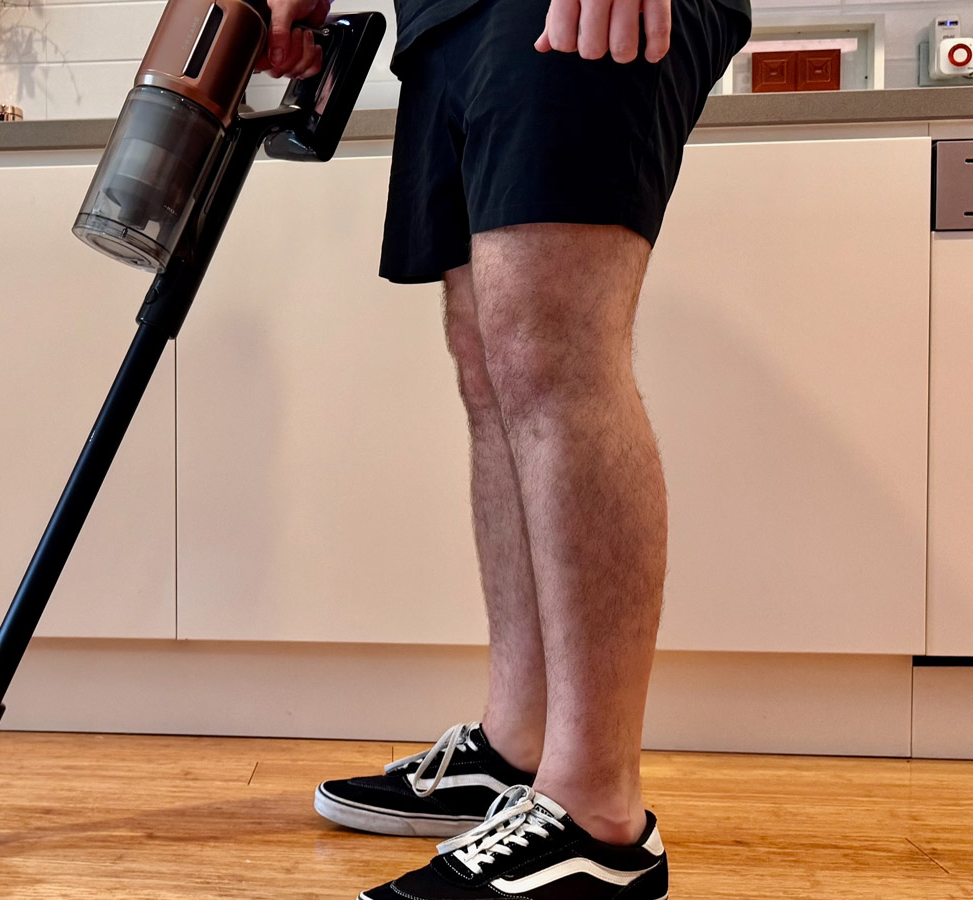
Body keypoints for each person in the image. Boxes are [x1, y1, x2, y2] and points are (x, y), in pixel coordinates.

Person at [260, 0, 751, 896]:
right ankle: (516, 753)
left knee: (550, 347)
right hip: (448, 18)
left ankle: (598, 818)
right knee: (488, 357)